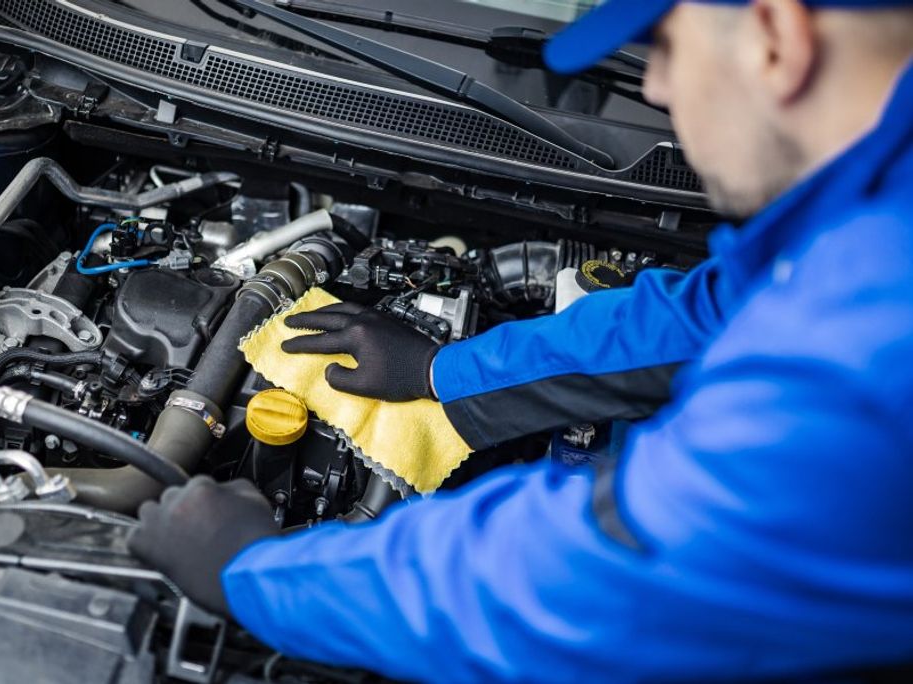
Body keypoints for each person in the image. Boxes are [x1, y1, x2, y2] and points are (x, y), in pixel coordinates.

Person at [127, 0, 913, 680]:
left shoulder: (868, 342)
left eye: (667, 43)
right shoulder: (870, 206)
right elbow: (700, 315)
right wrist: (447, 372)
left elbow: (588, 583)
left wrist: (255, 577)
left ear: (776, 37)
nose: (657, 86)